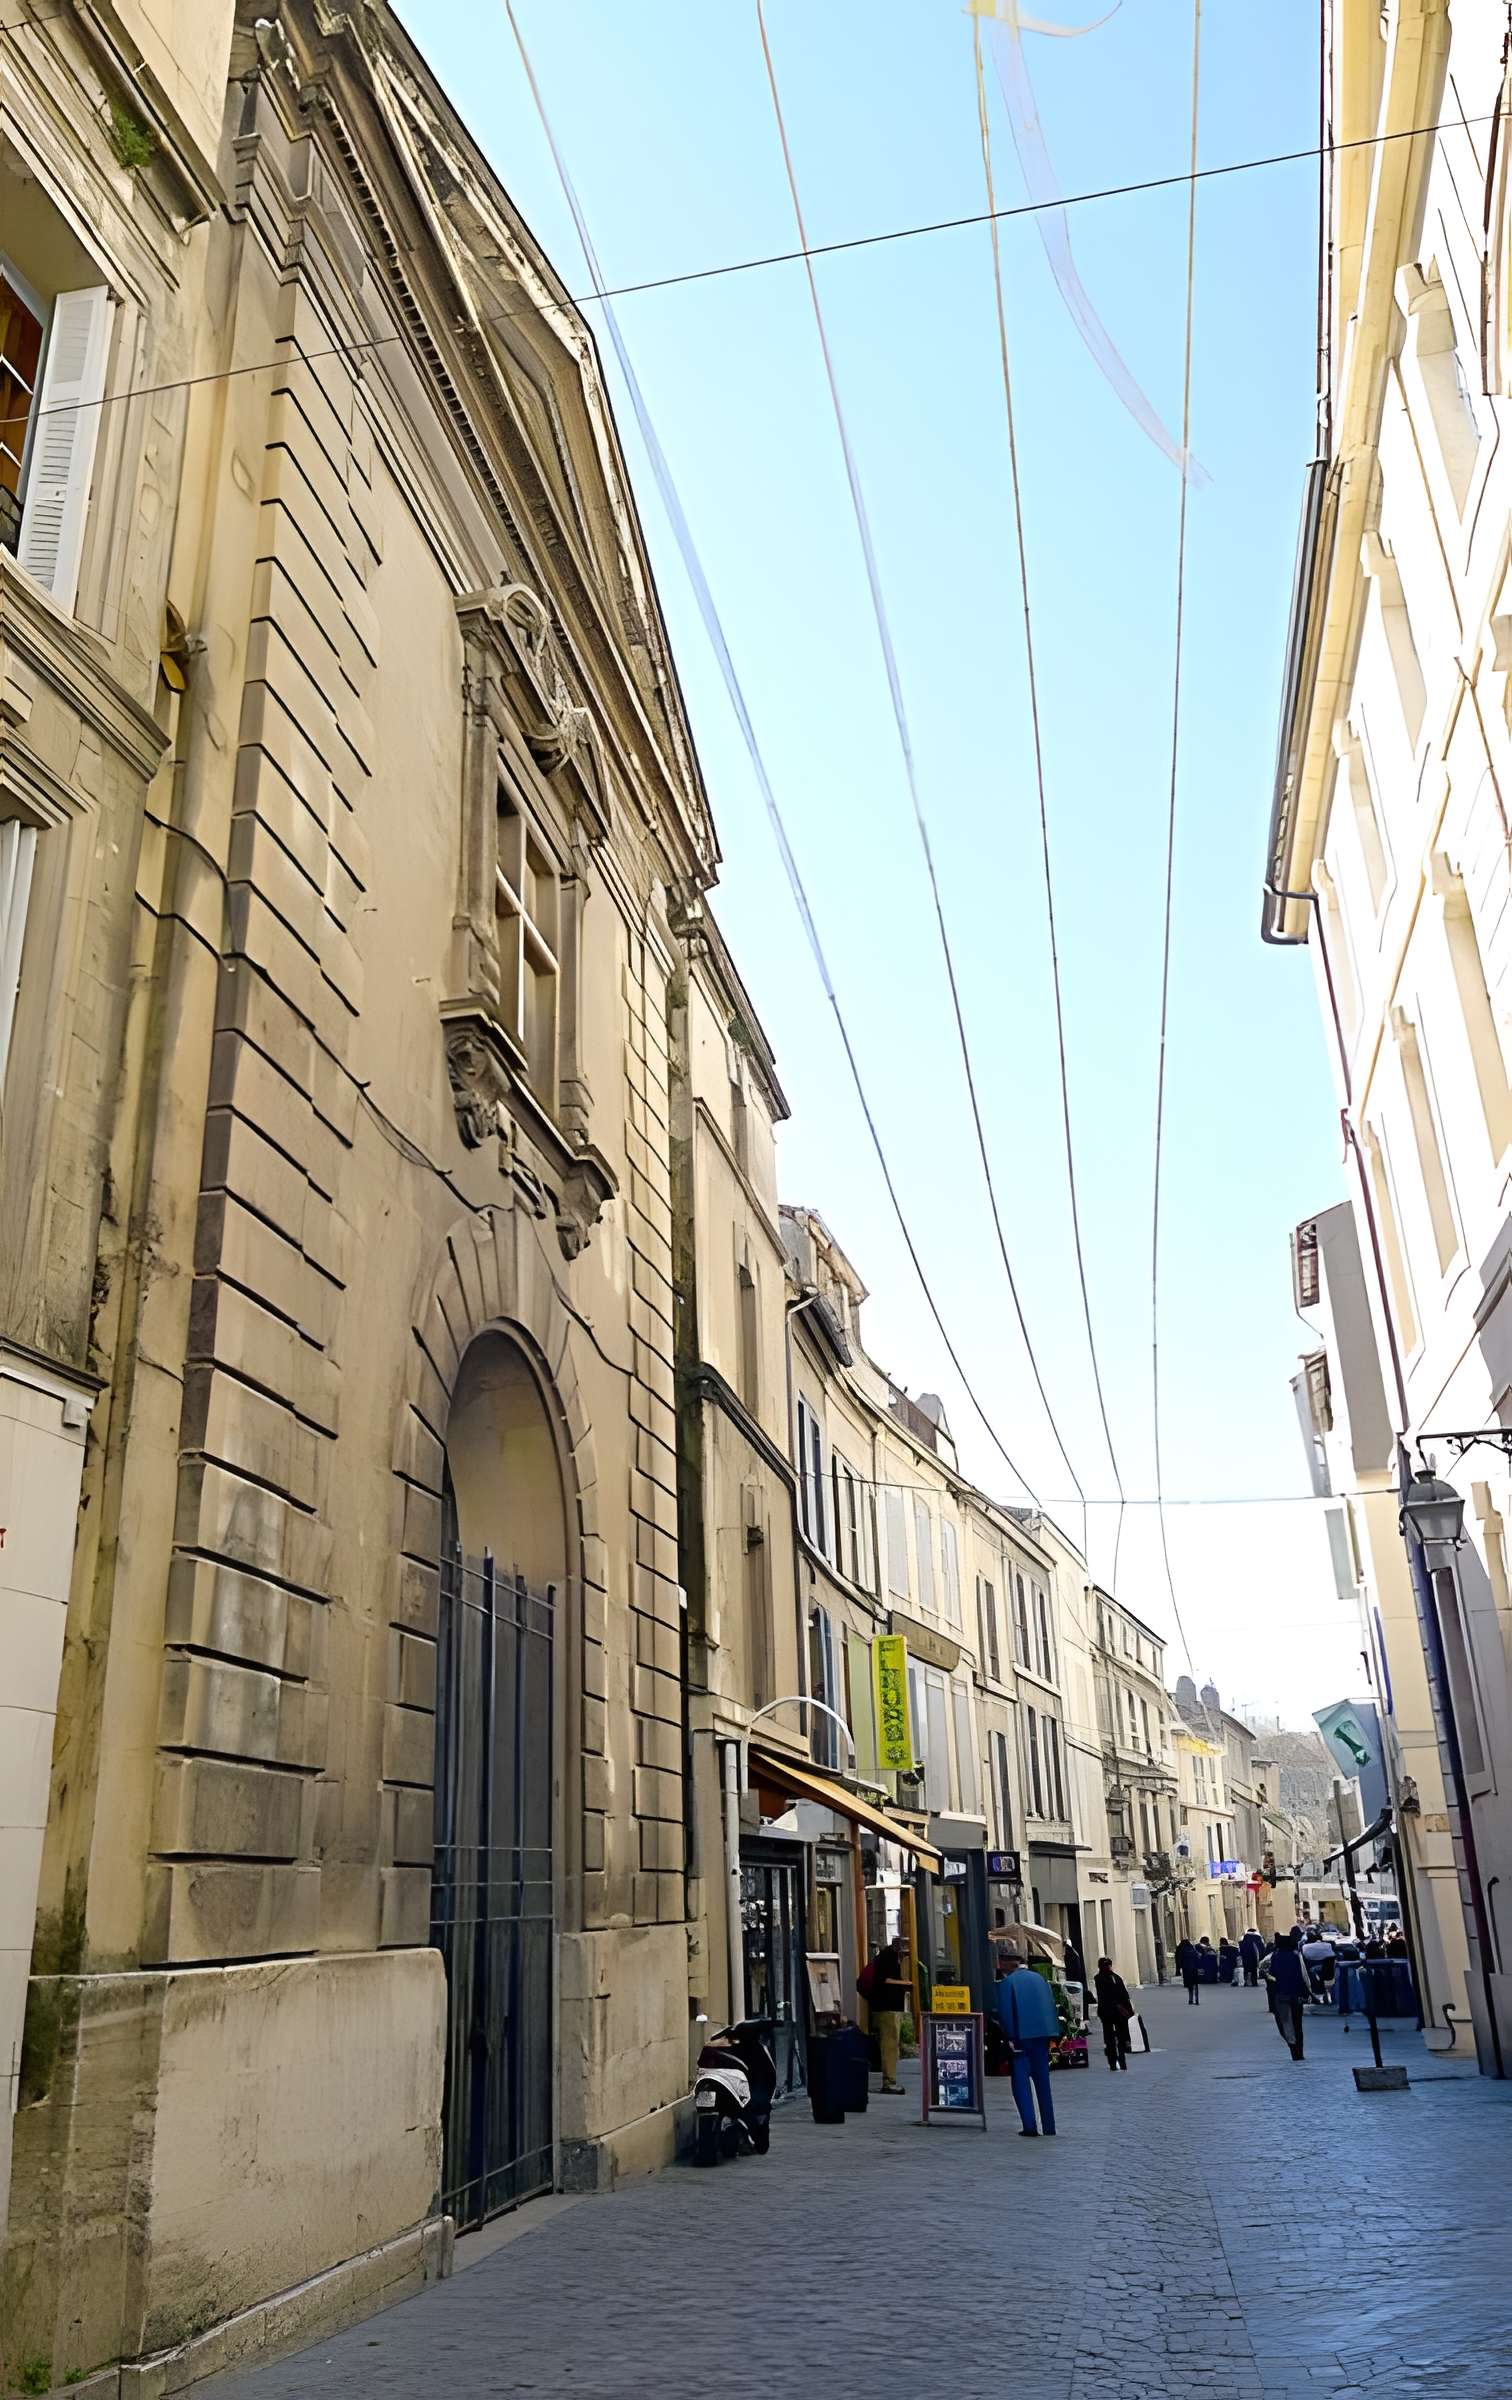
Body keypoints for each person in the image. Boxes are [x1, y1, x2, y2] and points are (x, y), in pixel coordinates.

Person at [996, 1949, 1059, 2136]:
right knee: (1043, 2082)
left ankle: (1030, 2125)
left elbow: (1006, 2013)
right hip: (1043, 2035)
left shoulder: (1008, 1983)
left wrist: (1009, 2036)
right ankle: (1049, 2126)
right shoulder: (1040, 1980)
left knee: (1021, 2082)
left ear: (1008, 1963)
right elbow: (1050, 2005)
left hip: (1021, 2037)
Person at [857, 1936, 908, 2095]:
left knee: (889, 2043)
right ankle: (889, 2081)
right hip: (888, 2006)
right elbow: (885, 1980)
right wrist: (908, 1984)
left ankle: (889, 2079)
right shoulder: (889, 1958)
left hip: (884, 2005)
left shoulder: (884, 1957)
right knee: (890, 2043)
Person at [1263, 1929, 1311, 2059]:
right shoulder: (1297, 1956)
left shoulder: (1275, 1957)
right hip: (1296, 1994)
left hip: (1281, 1994)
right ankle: (1299, 2052)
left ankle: (1292, 2046)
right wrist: (1307, 1992)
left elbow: (1271, 1974)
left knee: (1285, 2023)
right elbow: (1304, 1976)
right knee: (1297, 2024)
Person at [1093, 1957, 1134, 2072]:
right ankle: (1122, 2059)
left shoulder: (1098, 1979)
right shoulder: (1116, 1978)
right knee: (1121, 2035)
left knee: (1109, 2037)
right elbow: (1125, 1996)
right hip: (1118, 2012)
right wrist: (1130, 2011)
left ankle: (1112, 2062)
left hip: (1105, 2012)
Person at [1175, 1936, 1200, 2004]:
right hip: (1194, 1969)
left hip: (1186, 1970)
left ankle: (1190, 1999)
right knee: (1195, 1984)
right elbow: (1198, 1958)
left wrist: (1178, 1969)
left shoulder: (1180, 1949)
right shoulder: (1193, 1949)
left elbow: (1178, 1960)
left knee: (1190, 1986)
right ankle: (1197, 1999)